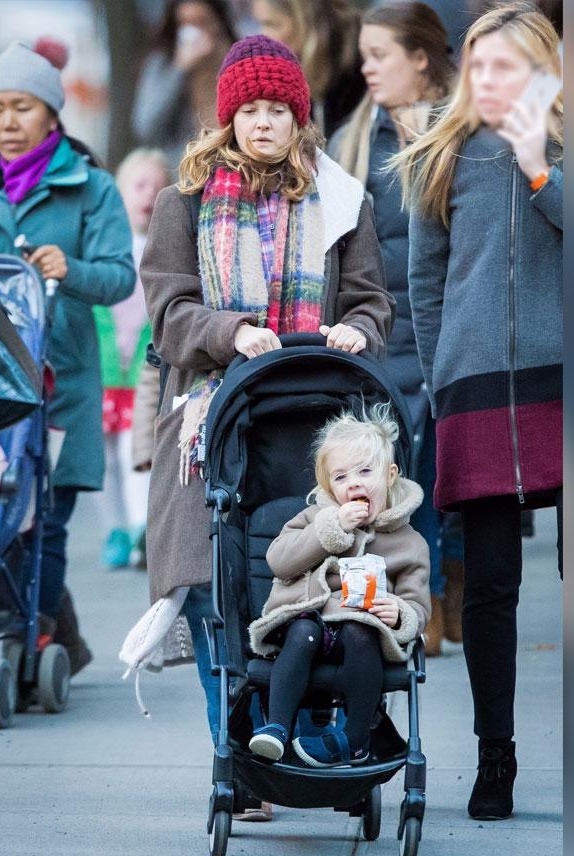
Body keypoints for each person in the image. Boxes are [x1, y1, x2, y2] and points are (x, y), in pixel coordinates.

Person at [140, 33, 394, 818]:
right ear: (227, 118)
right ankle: (239, 757)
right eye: (248, 109)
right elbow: (167, 310)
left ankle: (321, 744)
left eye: (277, 109)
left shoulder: (343, 199)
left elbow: (372, 303)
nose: (262, 122)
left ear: (299, 118)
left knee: (315, 582)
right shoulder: (185, 200)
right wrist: (230, 332)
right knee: (220, 588)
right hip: (215, 418)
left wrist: (358, 327)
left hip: (315, 423)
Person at [393, 2, 563, 820]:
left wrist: (541, 169)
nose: (489, 81)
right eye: (480, 67)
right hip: (474, 391)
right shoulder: (440, 154)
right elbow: (426, 285)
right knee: (490, 587)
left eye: (508, 67)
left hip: (570, 383)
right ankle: (496, 755)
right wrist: (443, 375)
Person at [0, 41, 137, 675]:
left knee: (44, 521)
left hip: (61, 385)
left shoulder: (89, 187)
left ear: (50, 113)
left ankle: (36, 637)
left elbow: (121, 277)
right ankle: (41, 629)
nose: (7, 123)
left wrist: (71, 270)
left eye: (21, 108)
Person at [328, 1, 455, 656]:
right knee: (388, 474)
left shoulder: (460, 134)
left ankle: (437, 595)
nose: (365, 68)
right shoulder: (353, 138)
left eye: (379, 55)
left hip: (445, 335)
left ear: (421, 57)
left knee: (436, 476)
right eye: (364, 54)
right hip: (378, 337)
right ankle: (412, 598)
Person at [246, 405, 431, 767]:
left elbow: (418, 603)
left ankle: (355, 738)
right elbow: (279, 560)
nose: (355, 483)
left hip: (361, 634)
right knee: (301, 632)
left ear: (390, 475)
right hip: (307, 621)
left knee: (359, 634)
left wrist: (400, 614)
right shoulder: (315, 518)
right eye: (342, 477)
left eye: (365, 471)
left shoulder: (409, 542)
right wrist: (330, 530)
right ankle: (277, 729)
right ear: (329, 486)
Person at [93, 149, 168, 568]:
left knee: (135, 450)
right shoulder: (107, 245)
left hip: (139, 372)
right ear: (119, 194)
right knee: (101, 458)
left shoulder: (162, 249)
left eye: (157, 188)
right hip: (104, 370)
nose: (149, 195)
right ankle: (115, 529)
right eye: (139, 186)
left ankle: (141, 526)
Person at [133, 0, 239, 169]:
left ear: (218, 22)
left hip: (231, 172)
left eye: (200, 22)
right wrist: (179, 71)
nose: (193, 33)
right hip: (182, 174)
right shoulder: (163, 63)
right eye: (185, 24)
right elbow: (146, 129)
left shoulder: (238, 61)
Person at [249, 0, 367, 138]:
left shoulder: (357, 69)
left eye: (272, 24)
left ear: (303, 20)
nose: (263, 36)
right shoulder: (299, 68)